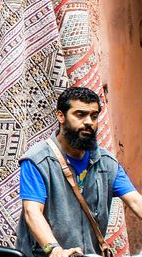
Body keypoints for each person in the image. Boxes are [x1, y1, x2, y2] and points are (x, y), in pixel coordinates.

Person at [17, 87, 142, 257]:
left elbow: (135, 201)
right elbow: (32, 212)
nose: (89, 122)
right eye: (80, 114)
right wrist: (54, 249)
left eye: (94, 116)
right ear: (61, 116)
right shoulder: (38, 160)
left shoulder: (105, 162)